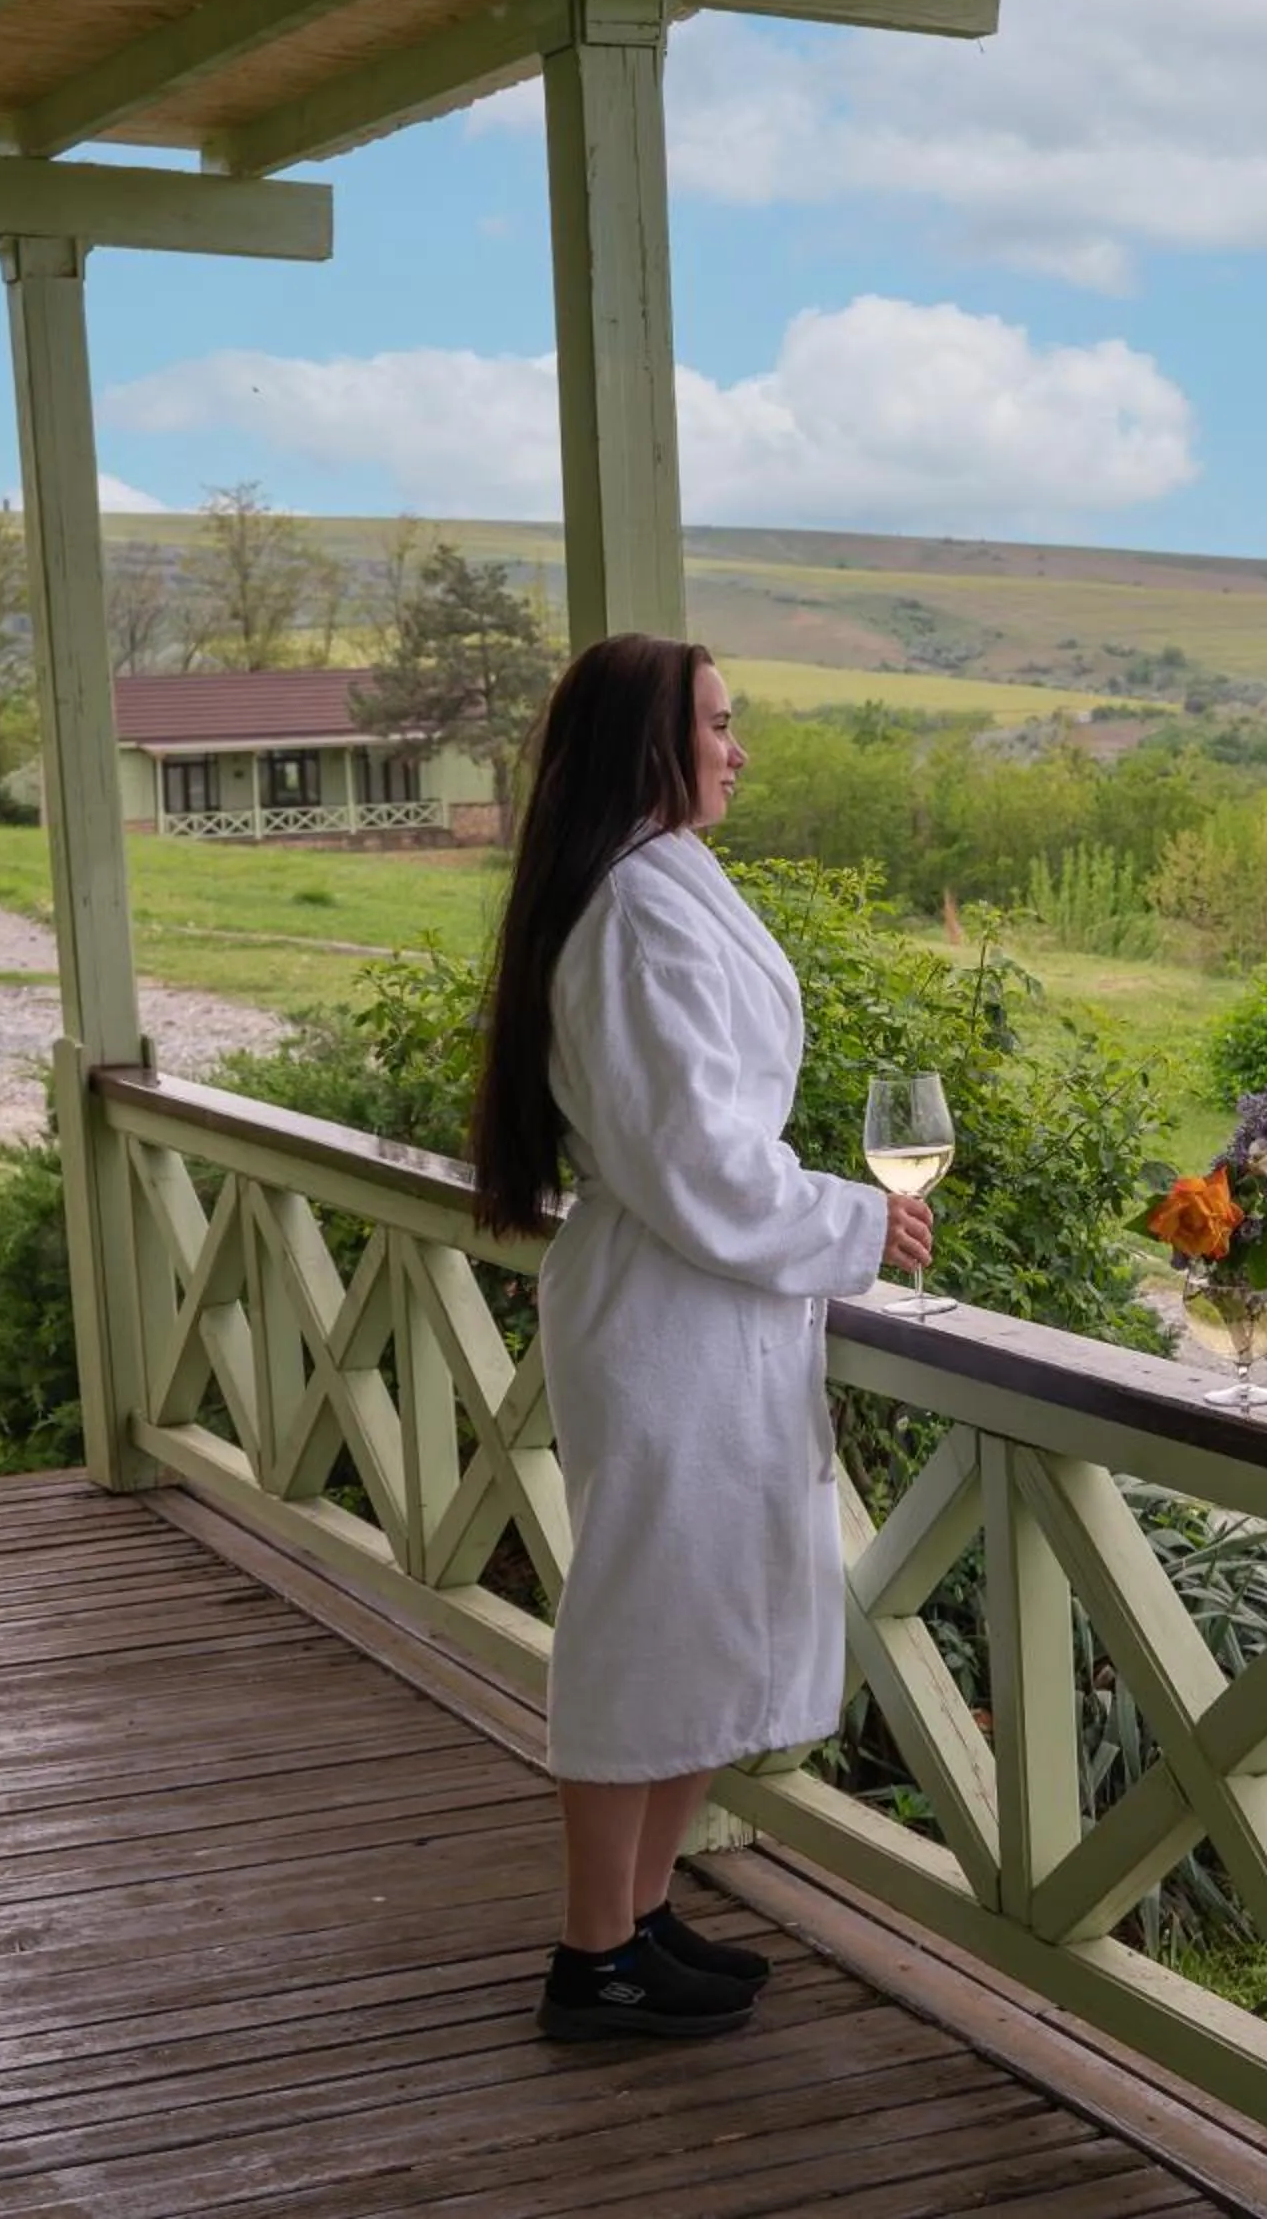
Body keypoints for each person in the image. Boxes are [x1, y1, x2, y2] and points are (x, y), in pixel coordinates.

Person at [466, 633, 933, 2041]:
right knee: (645, 1624)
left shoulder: (656, 878)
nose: (738, 750)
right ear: (647, 743)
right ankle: (592, 1956)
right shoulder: (632, 912)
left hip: (712, 1311)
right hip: (670, 1316)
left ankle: (644, 1912)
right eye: (717, 725)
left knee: (707, 1617)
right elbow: (692, 1159)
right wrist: (857, 1221)